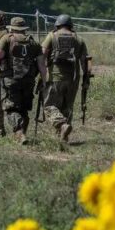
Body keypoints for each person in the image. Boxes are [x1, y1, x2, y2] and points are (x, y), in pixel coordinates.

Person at [0, 17, 47, 145]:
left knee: (11, 109)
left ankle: (19, 132)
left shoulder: (7, 38)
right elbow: (41, 65)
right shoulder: (34, 43)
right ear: (24, 29)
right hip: (28, 80)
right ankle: (23, 134)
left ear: (12, 27)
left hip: (11, 80)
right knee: (23, 109)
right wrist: (44, 82)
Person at [42, 14, 91, 142]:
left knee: (49, 106)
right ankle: (64, 137)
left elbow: (42, 54)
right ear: (71, 25)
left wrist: (41, 72)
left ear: (57, 24)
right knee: (67, 107)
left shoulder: (52, 36)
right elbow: (85, 62)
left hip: (54, 77)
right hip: (73, 79)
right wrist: (86, 80)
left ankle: (61, 125)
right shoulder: (79, 39)